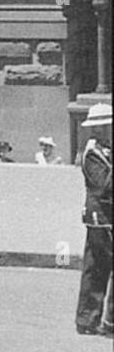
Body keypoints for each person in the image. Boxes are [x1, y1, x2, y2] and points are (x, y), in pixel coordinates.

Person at [74, 104, 112, 337]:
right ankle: (93, 319)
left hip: (106, 218)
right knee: (96, 269)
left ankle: (90, 318)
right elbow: (103, 186)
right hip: (101, 219)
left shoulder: (104, 150)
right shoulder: (92, 154)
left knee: (97, 269)